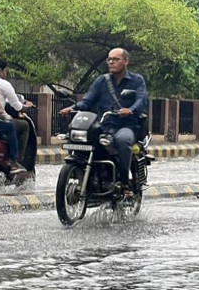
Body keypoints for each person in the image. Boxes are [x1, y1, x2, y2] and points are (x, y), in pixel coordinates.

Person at [59, 47, 148, 195]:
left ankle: (124, 183)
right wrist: (72, 108)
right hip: (105, 125)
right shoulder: (102, 81)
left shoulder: (137, 80)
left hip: (126, 126)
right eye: (109, 59)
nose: (111, 62)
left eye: (116, 59)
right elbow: (88, 100)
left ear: (126, 61)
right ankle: (90, 177)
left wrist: (130, 109)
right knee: (86, 140)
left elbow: (141, 100)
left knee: (122, 141)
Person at [0, 58, 33, 164]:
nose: (5, 73)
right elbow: (17, 106)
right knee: (24, 125)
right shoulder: (3, 84)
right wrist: (26, 107)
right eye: (5, 70)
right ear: (0, 70)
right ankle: (17, 159)